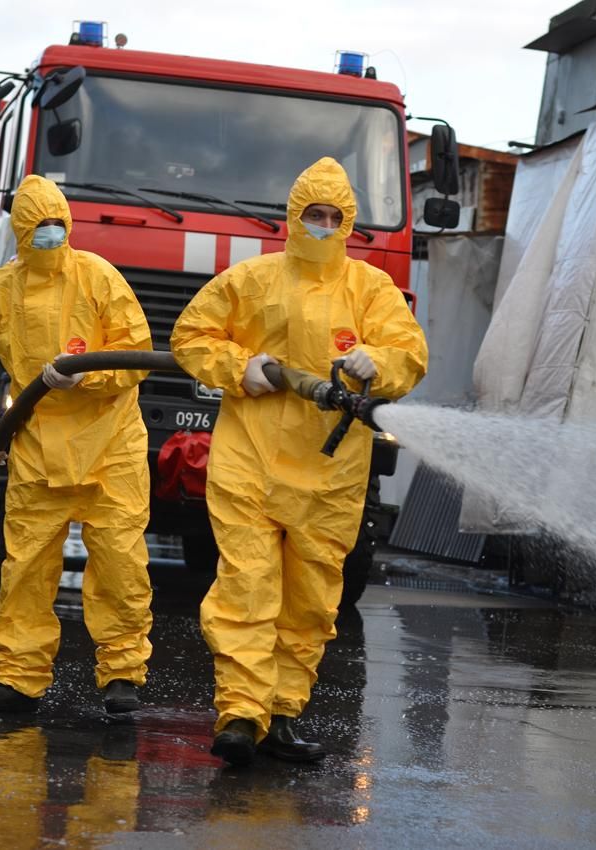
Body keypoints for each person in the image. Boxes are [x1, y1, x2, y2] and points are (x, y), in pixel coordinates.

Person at [171, 157, 427, 765]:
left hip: (331, 477)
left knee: (311, 602)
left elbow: (409, 352)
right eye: (314, 213)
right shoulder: (252, 281)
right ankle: (239, 715)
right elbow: (191, 336)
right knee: (246, 588)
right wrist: (242, 368)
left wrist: (378, 362)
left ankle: (282, 716)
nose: (323, 224)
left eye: (335, 216)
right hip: (251, 462)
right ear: (294, 216)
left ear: (349, 222)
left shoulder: (371, 289)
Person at [0, 175, 155, 715]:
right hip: (38, 448)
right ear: (20, 231)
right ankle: (17, 679)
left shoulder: (98, 277)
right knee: (25, 570)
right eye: (40, 227)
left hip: (111, 447)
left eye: (58, 224)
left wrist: (86, 377)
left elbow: (136, 352)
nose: (51, 234)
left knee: (121, 568)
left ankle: (122, 677)